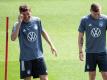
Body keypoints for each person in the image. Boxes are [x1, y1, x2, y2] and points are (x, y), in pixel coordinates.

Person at [11, 4, 57, 80]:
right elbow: (13, 38)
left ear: (31, 12)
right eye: (24, 15)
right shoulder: (17, 24)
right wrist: (19, 23)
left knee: (45, 78)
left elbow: (43, 32)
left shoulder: (37, 21)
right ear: (20, 14)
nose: (26, 16)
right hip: (25, 59)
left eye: (28, 14)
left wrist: (52, 45)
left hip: (38, 56)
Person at [78, 3, 107, 80]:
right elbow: (81, 36)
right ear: (90, 11)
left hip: (102, 52)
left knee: (105, 75)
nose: (97, 16)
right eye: (95, 14)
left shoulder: (105, 19)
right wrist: (80, 51)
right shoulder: (84, 20)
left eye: (99, 13)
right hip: (90, 53)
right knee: (92, 76)